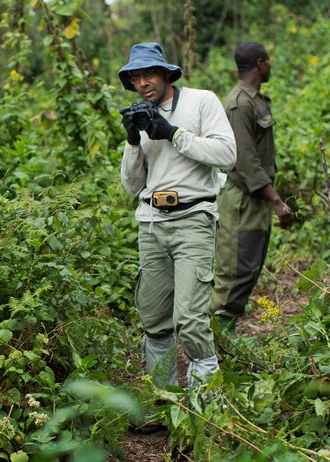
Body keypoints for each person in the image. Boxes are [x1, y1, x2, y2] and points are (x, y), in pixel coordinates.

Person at [117, 42, 237, 387]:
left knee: (189, 319)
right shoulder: (140, 114)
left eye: (149, 74)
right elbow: (132, 185)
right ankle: (163, 403)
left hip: (193, 219)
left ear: (166, 73)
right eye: (136, 77)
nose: (143, 83)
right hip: (151, 223)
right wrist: (132, 140)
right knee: (154, 320)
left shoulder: (201, 101)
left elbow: (227, 154)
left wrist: (172, 134)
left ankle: (204, 410)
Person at [211, 41, 294, 332]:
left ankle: (225, 333)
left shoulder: (255, 100)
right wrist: (275, 199)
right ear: (260, 64)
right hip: (242, 199)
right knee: (235, 269)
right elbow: (244, 159)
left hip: (256, 197)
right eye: (268, 61)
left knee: (250, 266)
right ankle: (217, 335)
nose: (270, 66)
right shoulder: (239, 104)